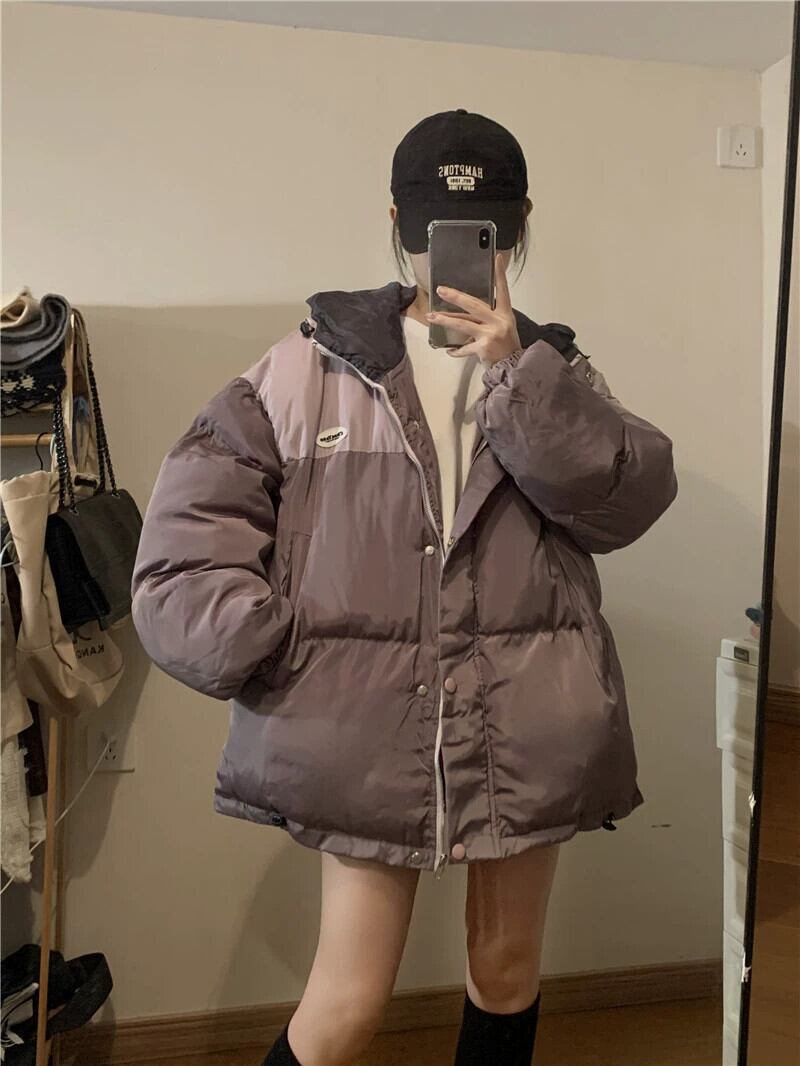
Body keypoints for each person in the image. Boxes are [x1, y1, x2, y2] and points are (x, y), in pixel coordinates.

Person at [130, 109, 679, 1066]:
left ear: (518, 226)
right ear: (396, 221)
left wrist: (520, 375)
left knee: (505, 971)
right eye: (431, 226)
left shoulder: (555, 367)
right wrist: (272, 647)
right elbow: (186, 540)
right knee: (346, 1005)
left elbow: (628, 500)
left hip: (526, 718)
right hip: (362, 724)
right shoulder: (309, 365)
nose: (453, 252)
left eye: (484, 228)